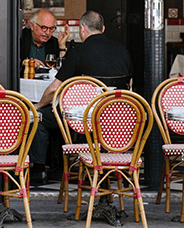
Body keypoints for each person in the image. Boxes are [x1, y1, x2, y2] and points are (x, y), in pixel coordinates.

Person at [28, 10, 132, 185]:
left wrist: (38, 106)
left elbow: (54, 89)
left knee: (41, 118)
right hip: (116, 120)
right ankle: (111, 164)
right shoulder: (123, 51)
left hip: (85, 119)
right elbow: (129, 86)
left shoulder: (79, 52)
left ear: (82, 29)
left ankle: (39, 171)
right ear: (103, 28)